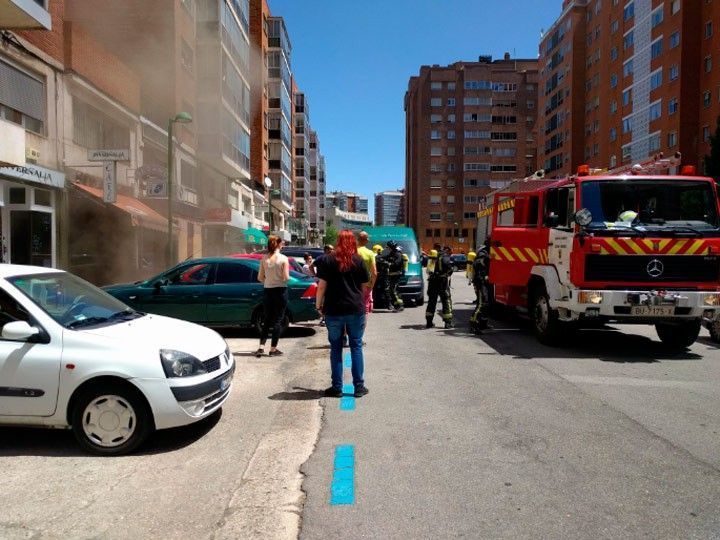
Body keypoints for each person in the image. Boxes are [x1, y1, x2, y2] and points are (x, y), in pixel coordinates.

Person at [315, 230, 370, 398]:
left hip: (334, 309)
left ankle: (337, 387)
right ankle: (358, 387)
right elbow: (364, 285)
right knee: (356, 346)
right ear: (353, 242)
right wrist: (365, 305)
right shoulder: (358, 260)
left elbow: (322, 286)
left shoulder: (328, 260)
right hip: (355, 308)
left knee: (336, 348)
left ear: (338, 242)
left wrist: (318, 305)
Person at [255, 235, 290, 357]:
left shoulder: (264, 258)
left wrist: (269, 280)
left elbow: (259, 278)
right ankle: (273, 349)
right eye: (282, 243)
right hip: (280, 291)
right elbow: (286, 277)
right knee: (278, 320)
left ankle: (261, 347)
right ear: (279, 244)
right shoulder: (284, 259)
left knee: (267, 319)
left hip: (268, 291)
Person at [425, 243, 454, 328]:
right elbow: (449, 268)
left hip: (432, 283)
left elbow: (429, 270)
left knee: (431, 302)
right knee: (446, 301)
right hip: (442, 283)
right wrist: (448, 272)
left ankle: (429, 322)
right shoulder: (443, 256)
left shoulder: (432, 257)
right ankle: (448, 323)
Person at [468, 242, 491, 334]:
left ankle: (483, 324)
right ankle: (473, 324)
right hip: (480, 283)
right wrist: (487, 259)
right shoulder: (482, 254)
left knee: (486, 304)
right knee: (481, 304)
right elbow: (479, 263)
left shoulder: (484, 253)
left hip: (483, 283)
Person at [356, 231, 377, 316]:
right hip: (366, 285)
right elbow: (374, 272)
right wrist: (372, 285)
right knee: (365, 308)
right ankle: (362, 328)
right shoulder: (370, 253)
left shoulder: (353, 252)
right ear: (366, 241)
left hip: (353, 285)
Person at [385, 240, 405, 312]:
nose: (388, 249)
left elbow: (397, 263)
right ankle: (397, 305)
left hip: (396, 275)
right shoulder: (392, 253)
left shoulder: (398, 254)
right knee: (392, 291)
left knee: (393, 291)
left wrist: (389, 264)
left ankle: (400, 306)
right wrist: (378, 257)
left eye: (389, 247)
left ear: (391, 247)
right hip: (392, 275)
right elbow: (386, 257)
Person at [372, 244, 390, 310]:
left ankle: (374, 304)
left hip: (372, 276)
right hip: (381, 275)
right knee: (385, 289)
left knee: (374, 290)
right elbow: (386, 265)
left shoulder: (371, 256)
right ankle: (388, 305)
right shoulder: (379, 257)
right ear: (378, 250)